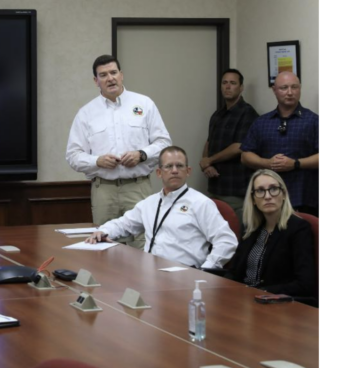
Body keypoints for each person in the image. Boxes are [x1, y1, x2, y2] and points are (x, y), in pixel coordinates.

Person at [66, 55, 171, 249]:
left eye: (113, 73)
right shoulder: (86, 113)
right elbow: (73, 156)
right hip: (103, 190)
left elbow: (164, 143)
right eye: (103, 75)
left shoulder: (144, 104)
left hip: (138, 187)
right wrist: (97, 161)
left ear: (121, 75)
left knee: (143, 244)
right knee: (103, 245)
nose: (110, 78)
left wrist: (142, 154)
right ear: (95, 81)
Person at [85, 147, 238, 269]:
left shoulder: (200, 203)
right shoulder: (150, 203)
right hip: (150, 274)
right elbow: (124, 223)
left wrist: (206, 270)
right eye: (168, 166)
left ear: (188, 171)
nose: (175, 170)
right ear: (159, 173)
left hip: (185, 276)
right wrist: (103, 231)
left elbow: (226, 240)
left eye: (179, 166)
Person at [225, 170, 316, 298]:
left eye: (273, 189)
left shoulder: (298, 229)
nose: (267, 196)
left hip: (276, 304)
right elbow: (234, 272)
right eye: (260, 191)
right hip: (244, 299)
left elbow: (305, 284)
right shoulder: (250, 228)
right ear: (254, 199)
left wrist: (261, 292)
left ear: (284, 194)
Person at [241, 71, 318, 216]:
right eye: (284, 88)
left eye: (294, 87)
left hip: (303, 198)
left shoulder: (313, 121)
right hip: (267, 199)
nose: (290, 92)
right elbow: (245, 156)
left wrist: (296, 163)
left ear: (300, 89)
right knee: (267, 237)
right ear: (274, 90)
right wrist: (267, 163)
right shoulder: (261, 122)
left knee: (301, 236)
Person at [200, 69, 259, 222]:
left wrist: (210, 160)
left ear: (241, 87)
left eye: (233, 83)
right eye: (225, 83)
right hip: (214, 187)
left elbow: (239, 146)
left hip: (235, 191)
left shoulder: (248, 113)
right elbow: (209, 141)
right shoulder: (217, 115)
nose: (228, 86)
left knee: (236, 235)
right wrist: (206, 163)